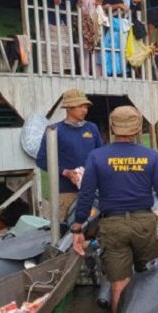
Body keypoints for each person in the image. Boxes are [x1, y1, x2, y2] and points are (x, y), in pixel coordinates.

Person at [71, 106, 158, 313]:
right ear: (137, 128)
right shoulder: (151, 157)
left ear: (113, 127)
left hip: (112, 226)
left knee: (119, 285)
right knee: (151, 278)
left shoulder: (97, 156)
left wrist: (77, 229)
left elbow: (86, 196)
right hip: (144, 223)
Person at [36, 89, 103, 221]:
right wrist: (65, 172)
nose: (84, 110)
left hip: (92, 191)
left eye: (86, 106)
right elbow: (42, 160)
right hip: (66, 193)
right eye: (80, 106)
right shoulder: (55, 130)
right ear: (69, 108)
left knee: (93, 230)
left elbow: (101, 157)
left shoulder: (92, 128)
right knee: (66, 231)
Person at [43, 0, 88, 73]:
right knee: (53, 46)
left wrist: (77, 4)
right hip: (52, 20)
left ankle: (64, 70)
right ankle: (52, 71)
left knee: (65, 46)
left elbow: (73, 5)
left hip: (64, 21)